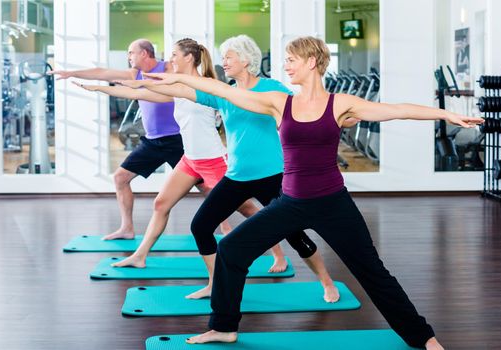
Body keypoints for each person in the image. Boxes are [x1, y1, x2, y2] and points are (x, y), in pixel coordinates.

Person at [152, 36, 483, 349]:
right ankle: (224, 327)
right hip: (291, 203)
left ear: (312, 61)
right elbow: (220, 90)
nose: (286, 66)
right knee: (232, 250)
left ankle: (423, 336)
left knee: (372, 272)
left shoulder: (341, 104)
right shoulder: (280, 102)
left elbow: (398, 109)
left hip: (333, 204)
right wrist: (180, 83)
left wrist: (445, 114)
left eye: (291, 60)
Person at [114, 35, 341, 301]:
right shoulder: (226, 91)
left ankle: (327, 282)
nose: (224, 61)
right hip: (236, 176)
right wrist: (125, 85)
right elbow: (183, 88)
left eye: (229, 56)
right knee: (200, 226)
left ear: (245, 60)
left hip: (272, 177)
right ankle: (214, 284)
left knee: (293, 233)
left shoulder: (273, 88)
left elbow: (305, 109)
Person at [72, 39, 254, 296]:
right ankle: (140, 255)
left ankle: (277, 251)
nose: (170, 59)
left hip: (213, 160)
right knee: (161, 204)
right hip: (190, 159)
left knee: (244, 206)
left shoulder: (207, 86)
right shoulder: (176, 85)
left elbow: (235, 106)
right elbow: (138, 92)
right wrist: (99, 89)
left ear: (189, 58)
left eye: (174, 54)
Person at [49, 39, 199, 239]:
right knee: (120, 178)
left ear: (145, 53)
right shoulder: (133, 73)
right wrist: (71, 74)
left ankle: (226, 226)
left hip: (177, 140)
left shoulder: (169, 68)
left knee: (205, 184)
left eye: (131, 52)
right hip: (152, 141)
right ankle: (127, 228)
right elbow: (101, 72)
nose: (128, 57)